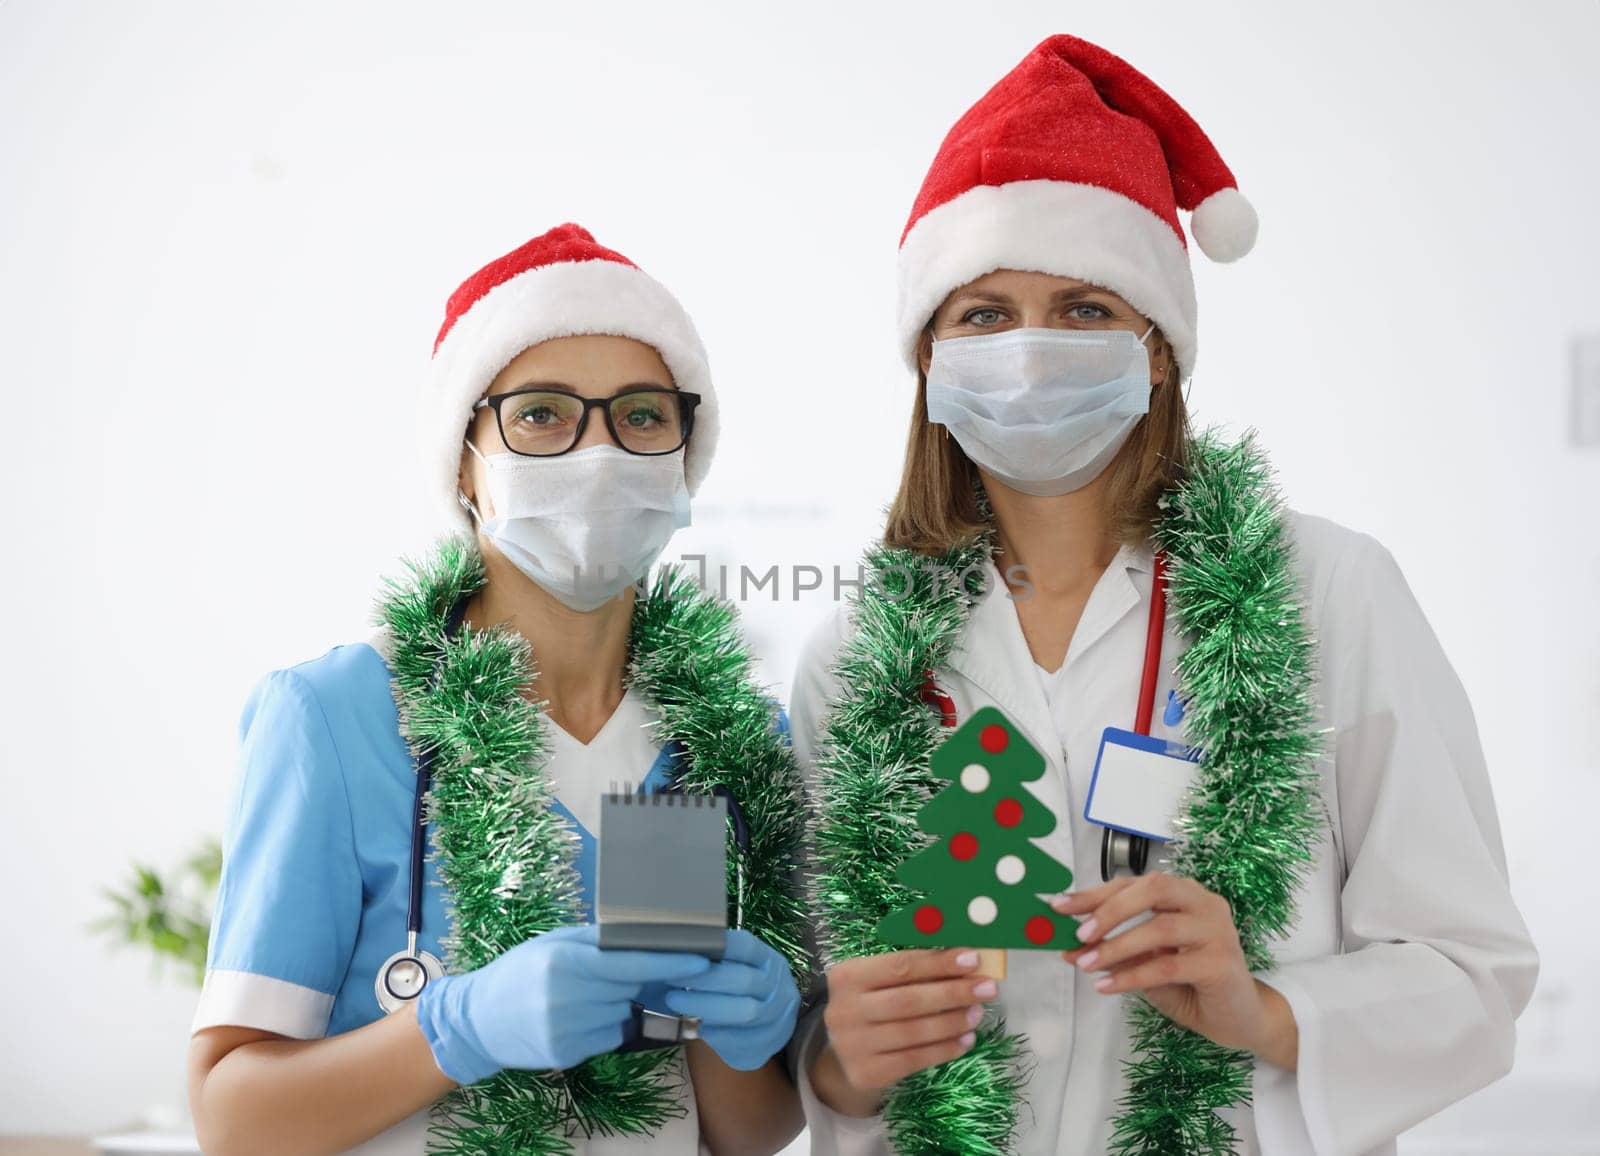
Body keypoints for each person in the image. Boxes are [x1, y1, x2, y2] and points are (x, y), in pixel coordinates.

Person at [786, 35, 1540, 1156]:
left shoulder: (1329, 594)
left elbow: (1472, 973)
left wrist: (1269, 1010)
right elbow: (813, 1027)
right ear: (930, 359)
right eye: (984, 313)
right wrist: (841, 1064)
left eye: (1084, 307)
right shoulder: (854, 652)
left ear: (1157, 351)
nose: (1031, 351)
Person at [187, 223, 809, 1156]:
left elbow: (744, 1135)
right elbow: (234, 1119)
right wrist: (456, 1028)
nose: (598, 452)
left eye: (642, 415)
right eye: (541, 413)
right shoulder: (337, 716)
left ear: (685, 457)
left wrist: (739, 1033)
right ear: (466, 459)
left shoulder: (740, 737)